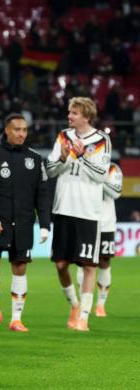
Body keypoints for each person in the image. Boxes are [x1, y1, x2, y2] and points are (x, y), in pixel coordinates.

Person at [0, 113, 50, 332]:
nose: (21, 134)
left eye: (25, 130)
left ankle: (16, 318)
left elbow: (43, 193)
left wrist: (44, 223)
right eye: (17, 129)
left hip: (24, 223)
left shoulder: (35, 158)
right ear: (7, 130)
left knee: (20, 267)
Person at [47, 97, 111, 332]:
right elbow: (51, 170)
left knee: (88, 266)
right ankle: (74, 304)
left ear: (86, 116)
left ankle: (83, 317)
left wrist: (82, 156)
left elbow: (102, 176)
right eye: (69, 112)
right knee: (61, 265)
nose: (69, 116)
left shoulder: (101, 140)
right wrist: (64, 157)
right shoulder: (63, 136)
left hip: (87, 211)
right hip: (63, 208)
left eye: (73, 113)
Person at [76, 163, 123, 316]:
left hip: (106, 223)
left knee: (104, 261)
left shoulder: (112, 169)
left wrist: (97, 178)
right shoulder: (80, 164)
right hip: (85, 219)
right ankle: (83, 304)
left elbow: (116, 193)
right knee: (83, 261)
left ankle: (100, 304)